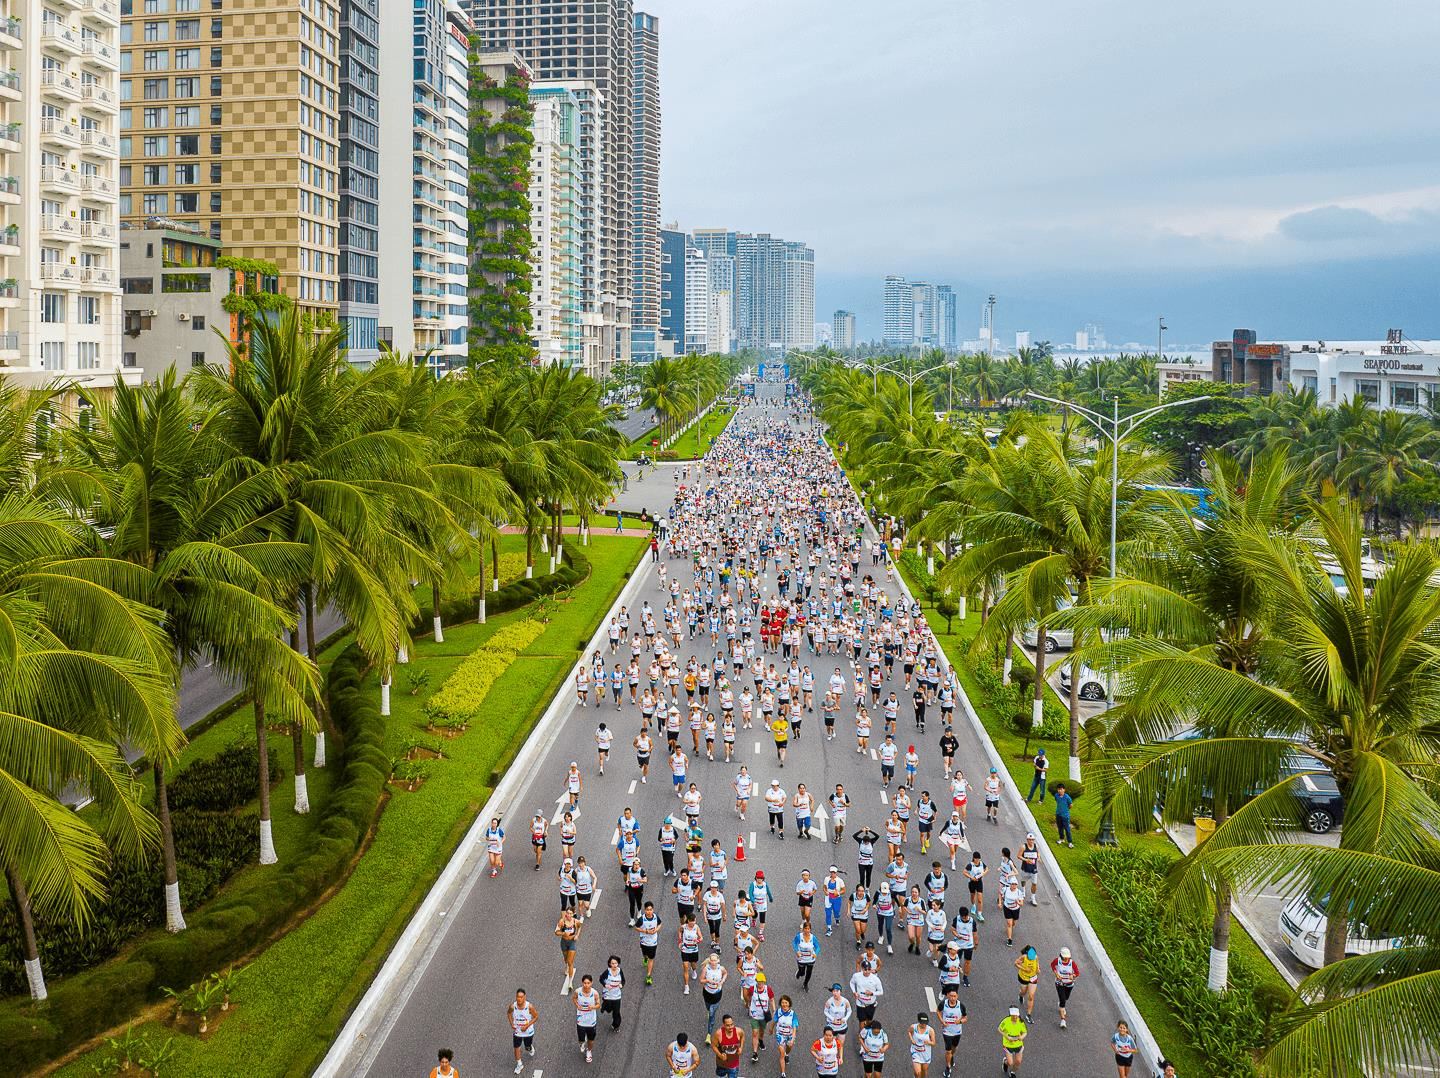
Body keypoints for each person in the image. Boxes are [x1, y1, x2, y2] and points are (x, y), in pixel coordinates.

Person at [936, 986, 967, 1078]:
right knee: (948, 1050)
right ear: (947, 996)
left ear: (957, 996)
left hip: (957, 1032)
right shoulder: (943, 1004)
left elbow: (965, 1018)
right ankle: (948, 1067)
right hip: (947, 1032)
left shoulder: (961, 1005)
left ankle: (951, 1056)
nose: (953, 998)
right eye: (951, 996)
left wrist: (960, 1021)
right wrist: (942, 1021)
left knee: (954, 1048)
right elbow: (938, 1011)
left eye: (954, 996)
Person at [506, 989, 537, 1075]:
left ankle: (530, 1048)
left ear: (524, 997)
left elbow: (536, 1017)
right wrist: (512, 1023)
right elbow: (508, 1013)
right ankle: (519, 1064)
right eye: (517, 997)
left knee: (527, 1047)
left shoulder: (529, 1007)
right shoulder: (513, 1006)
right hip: (518, 1031)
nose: (519, 999)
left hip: (528, 1032)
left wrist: (527, 1026)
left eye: (521, 997)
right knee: (516, 1048)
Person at [748, 970, 775, 1063]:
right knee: (755, 1032)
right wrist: (748, 1005)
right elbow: (749, 997)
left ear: (764, 982)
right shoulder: (752, 989)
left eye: (762, 982)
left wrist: (774, 1009)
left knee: (762, 1031)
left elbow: (771, 999)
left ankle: (761, 1040)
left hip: (763, 1015)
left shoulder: (768, 989)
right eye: (758, 982)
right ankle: (755, 1053)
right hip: (754, 1014)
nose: (760, 984)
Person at [572, 973, 600, 1064]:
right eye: (584, 983)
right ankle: (582, 1043)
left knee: (591, 1039)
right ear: (582, 983)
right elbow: (574, 999)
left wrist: (593, 1007)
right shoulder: (578, 991)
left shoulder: (594, 993)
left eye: (588, 983)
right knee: (581, 1039)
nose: (586, 985)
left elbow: (599, 1005)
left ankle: (589, 1051)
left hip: (591, 1021)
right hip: (581, 1021)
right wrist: (577, 1005)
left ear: (591, 983)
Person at [700, 952, 728, 1039]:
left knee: (712, 1015)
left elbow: (726, 973)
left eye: (715, 960)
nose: (713, 962)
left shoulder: (721, 968)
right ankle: (709, 1011)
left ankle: (709, 1034)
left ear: (718, 961)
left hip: (717, 994)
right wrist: (708, 981)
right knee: (708, 1008)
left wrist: (722, 982)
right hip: (707, 993)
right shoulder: (706, 969)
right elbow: (701, 980)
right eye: (712, 960)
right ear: (709, 961)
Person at [634, 900, 662, 986]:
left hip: (653, 943)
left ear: (653, 910)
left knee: (651, 958)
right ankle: (645, 958)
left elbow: (660, 924)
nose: (649, 911)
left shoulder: (656, 917)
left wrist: (656, 930)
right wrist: (645, 931)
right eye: (647, 910)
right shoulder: (642, 919)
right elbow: (636, 927)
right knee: (645, 955)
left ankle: (648, 976)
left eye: (651, 909)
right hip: (644, 942)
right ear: (645, 910)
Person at [774, 994, 800, 1078]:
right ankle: (783, 1074)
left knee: (788, 1049)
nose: (784, 1004)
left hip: (789, 1035)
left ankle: (787, 1054)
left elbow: (794, 1027)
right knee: (781, 1053)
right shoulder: (778, 1012)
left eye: (786, 1002)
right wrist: (771, 1029)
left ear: (789, 1003)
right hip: (780, 1035)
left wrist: (792, 1038)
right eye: (782, 1003)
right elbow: (775, 1021)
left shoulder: (793, 1014)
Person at [555, 908, 580, 991]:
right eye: (567, 913)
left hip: (572, 942)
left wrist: (576, 935)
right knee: (566, 959)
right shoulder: (562, 921)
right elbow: (556, 932)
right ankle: (566, 966)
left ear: (573, 914)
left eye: (570, 913)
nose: (569, 915)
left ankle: (570, 982)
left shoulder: (576, 922)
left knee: (570, 962)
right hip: (564, 942)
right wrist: (563, 933)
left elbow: (579, 927)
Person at [712, 1014, 744, 1078]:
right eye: (728, 1025)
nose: (730, 1027)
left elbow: (742, 1037)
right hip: (721, 1065)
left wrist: (741, 1047)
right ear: (723, 1025)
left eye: (732, 1024)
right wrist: (720, 1055)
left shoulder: (739, 1031)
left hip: (733, 1065)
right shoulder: (718, 1034)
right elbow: (713, 1046)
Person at [999, 1006, 1028, 1076]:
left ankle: (1012, 1072)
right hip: (1008, 1044)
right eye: (1013, 1016)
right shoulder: (1006, 1021)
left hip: (1018, 1044)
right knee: (1010, 1063)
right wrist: (1007, 1037)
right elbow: (999, 1029)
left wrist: (1022, 1037)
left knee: (1018, 1062)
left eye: (1016, 1016)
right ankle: (1005, 1062)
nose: (1015, 1017)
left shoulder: (1021, 1022)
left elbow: (1025, 1032)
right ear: (1010, 1015)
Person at [1014, 944, 1040, 1022]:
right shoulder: (1024, 957)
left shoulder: (1035, 957)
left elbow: (1037, 963)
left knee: (1031, 996)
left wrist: (1038, 969)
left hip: (1033, 978)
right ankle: (1020, 995)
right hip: (1024, 977)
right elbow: (1015, 963)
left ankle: (1028, 1015)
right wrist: (1024, 969)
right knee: (1023, 992)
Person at [678, 913, 703, 992]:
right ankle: (686, 986)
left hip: (694, 950)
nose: (693, 922)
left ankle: (694, 970)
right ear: (688, 921)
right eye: (691, 921)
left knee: (693, 965)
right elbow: (679, 931)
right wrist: (680, 941)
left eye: (694, 921)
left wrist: (698, 940)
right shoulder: (683, 927)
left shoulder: (696, 927)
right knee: (685, 967)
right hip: (685, 949)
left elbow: (701, 937)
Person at [599, 955, 624, 1031]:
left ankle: (616, 1025)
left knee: (616, 1012)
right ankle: (604, 1006)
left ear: (618, 963)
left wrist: (621, 984)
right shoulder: (607, 971)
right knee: (609, 1009)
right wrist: (605, 984)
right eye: (612, 963)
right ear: (610, 964)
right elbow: (601, 979)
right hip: (608, 995)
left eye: (616, 963)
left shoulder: (620, 971)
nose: (614, 965)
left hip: (617, 996)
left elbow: (623, 980)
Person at [793, 921, 821, 990]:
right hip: (801, 958)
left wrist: (815, 954)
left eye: (808, 929)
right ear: (803, 929)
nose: (807, 930)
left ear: (810, 929)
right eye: (805, 928)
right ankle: (799, 972)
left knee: (809, 972)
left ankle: (805, 984)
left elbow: (818, 947)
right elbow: (794, 943)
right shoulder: (799, 936)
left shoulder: (813, 937)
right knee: (802, 973)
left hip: (810, 959)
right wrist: (797, 951)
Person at [907, 1013, 935, 1078]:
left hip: (926, 1054)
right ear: (919, 1021)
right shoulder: (913, 1027)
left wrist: (929, 1042)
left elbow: (934, 1043)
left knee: (924, 1070)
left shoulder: (930, 1030)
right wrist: (911, 1039)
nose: (924, 1025)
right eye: (922, 1023)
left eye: (925, 1023)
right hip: (916, 1052)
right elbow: (909, 1032)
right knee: (918, 1072)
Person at [999, 876, 1025, 945]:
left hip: (1015, 909)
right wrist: (1000, 902)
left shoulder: (1019, 892)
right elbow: (1000, 893)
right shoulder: (1005, 889)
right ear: (1010, 884)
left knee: (1013, 923)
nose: (1014, 886)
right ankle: (1009, 939)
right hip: (1007, 908)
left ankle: (1010, 928)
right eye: (1012, 884)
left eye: (1015, 884)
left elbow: (1022, 903)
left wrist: (1018, 902)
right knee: (1009, 923)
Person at [1019, 833, 1041, 906]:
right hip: (1025, 868)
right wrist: (1025, 860)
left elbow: (1038, 854)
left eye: (1032, 840)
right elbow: (1018, 856)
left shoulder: (1036, 846)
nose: (1031, 841)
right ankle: (1023, 890)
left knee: (1034, 884)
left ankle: (1033, 898)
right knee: (1023, 881)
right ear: (1027, 840)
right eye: (1029, 840)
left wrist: (1038, 858)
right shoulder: (1023, 847)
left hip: (1034, 869)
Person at [1053, 782, 1075, 848]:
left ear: (1064, 790)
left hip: (1065, 816)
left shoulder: (1067, 797)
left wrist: (1066, 809)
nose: (1060, 790)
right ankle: (1061, 839)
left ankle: (1070, 842)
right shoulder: (1056, 795)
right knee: (1060, 828)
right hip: (1058, 814)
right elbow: (1057, 801)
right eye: (1059, 789)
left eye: (1061, 789)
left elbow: (1071, 805)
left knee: (1067, 829)